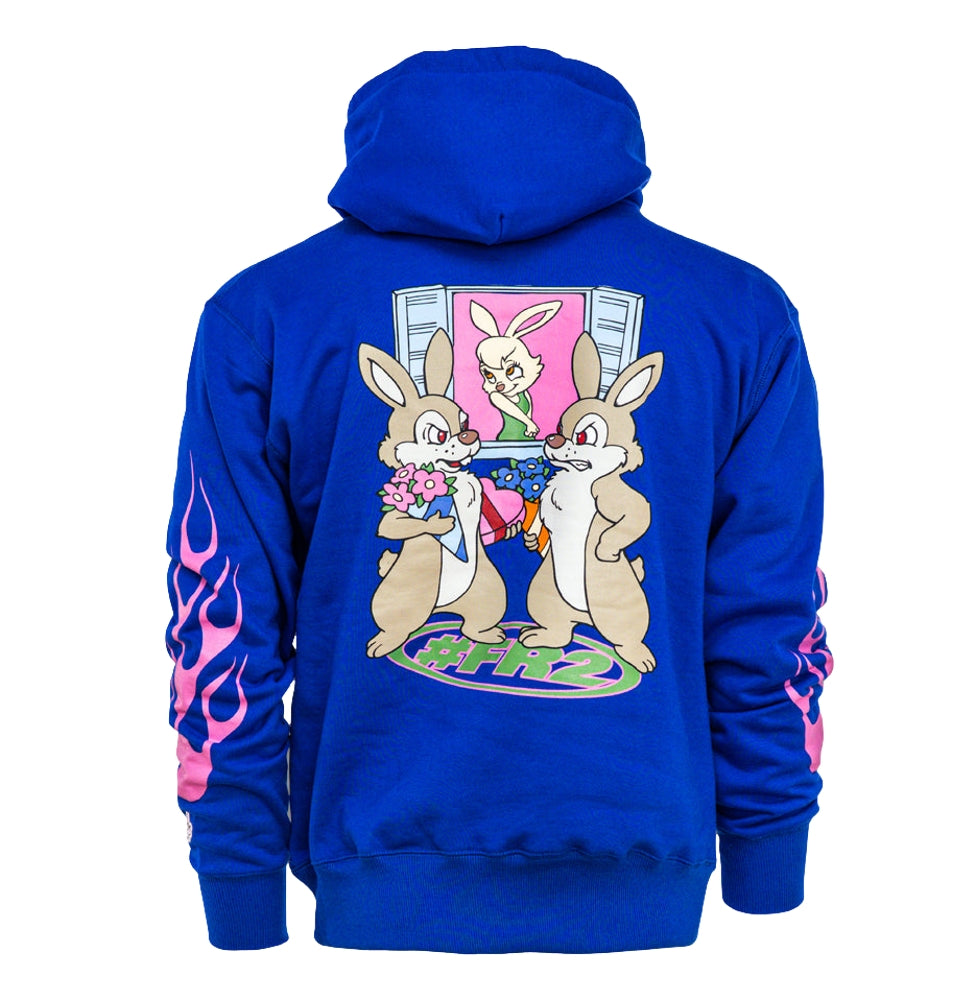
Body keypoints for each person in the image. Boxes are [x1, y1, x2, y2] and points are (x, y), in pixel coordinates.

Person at [166, 45, 832, 951]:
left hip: (371, 867)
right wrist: (767, 846)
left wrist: (238, 872)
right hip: (646, 851)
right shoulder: (736, 310)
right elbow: (768, 610)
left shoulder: (271, 310)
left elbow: (220, 615)